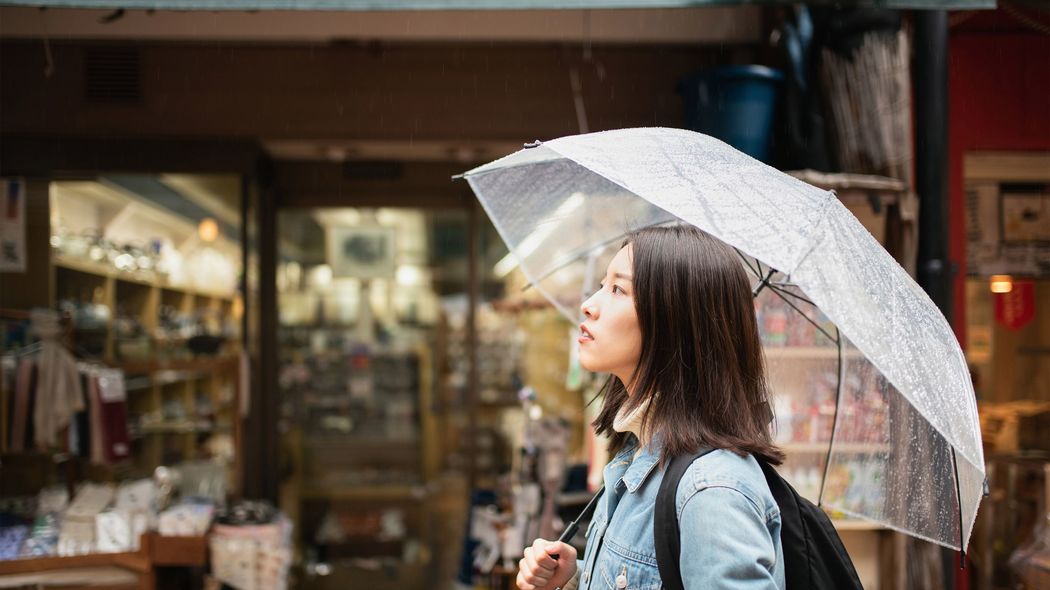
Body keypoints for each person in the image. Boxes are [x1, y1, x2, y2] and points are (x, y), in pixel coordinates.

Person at [516, 225, 786, 590]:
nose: (589, 304)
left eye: (617, 289)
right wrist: (575, 578)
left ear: (674, 319)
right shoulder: (637, 454)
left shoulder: (712, 491)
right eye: (601, 284)